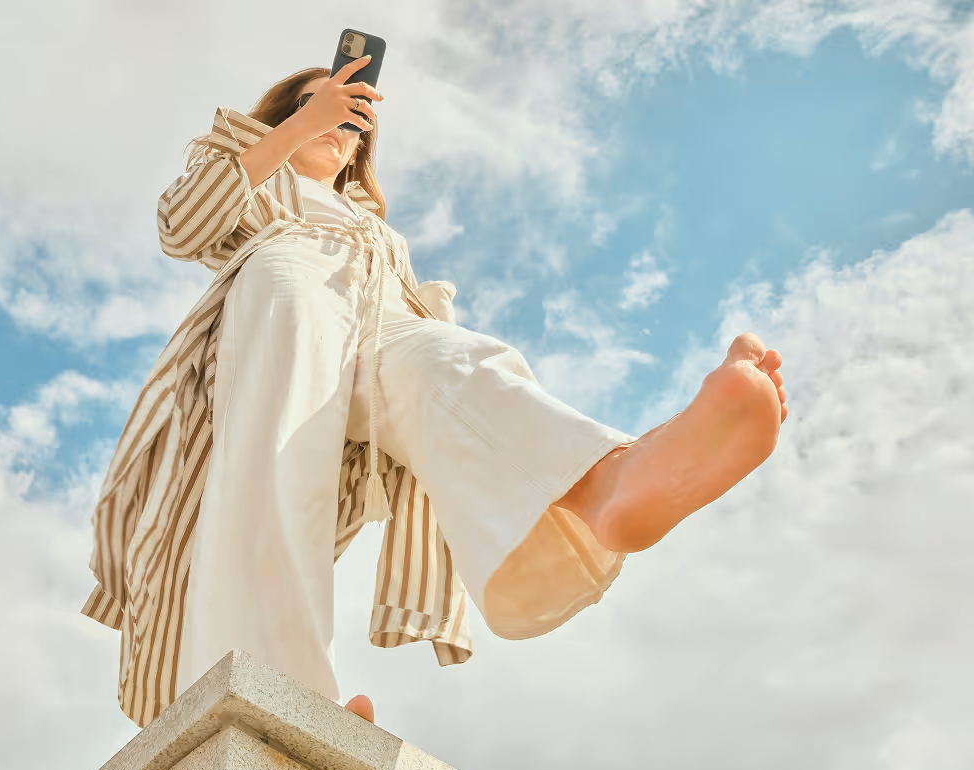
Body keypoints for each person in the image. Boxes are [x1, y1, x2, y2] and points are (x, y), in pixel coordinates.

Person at [83, 57, 787, 728]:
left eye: (352, 120)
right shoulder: (250, 172)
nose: (336, 123)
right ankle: (283, 688)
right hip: (283, 284)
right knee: (278, 466)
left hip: (379, 311)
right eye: (317, 105)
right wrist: (299, 129)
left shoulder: (377, 230)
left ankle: (606, 483)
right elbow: (181, 226)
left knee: (457, 366)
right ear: (284, 116)